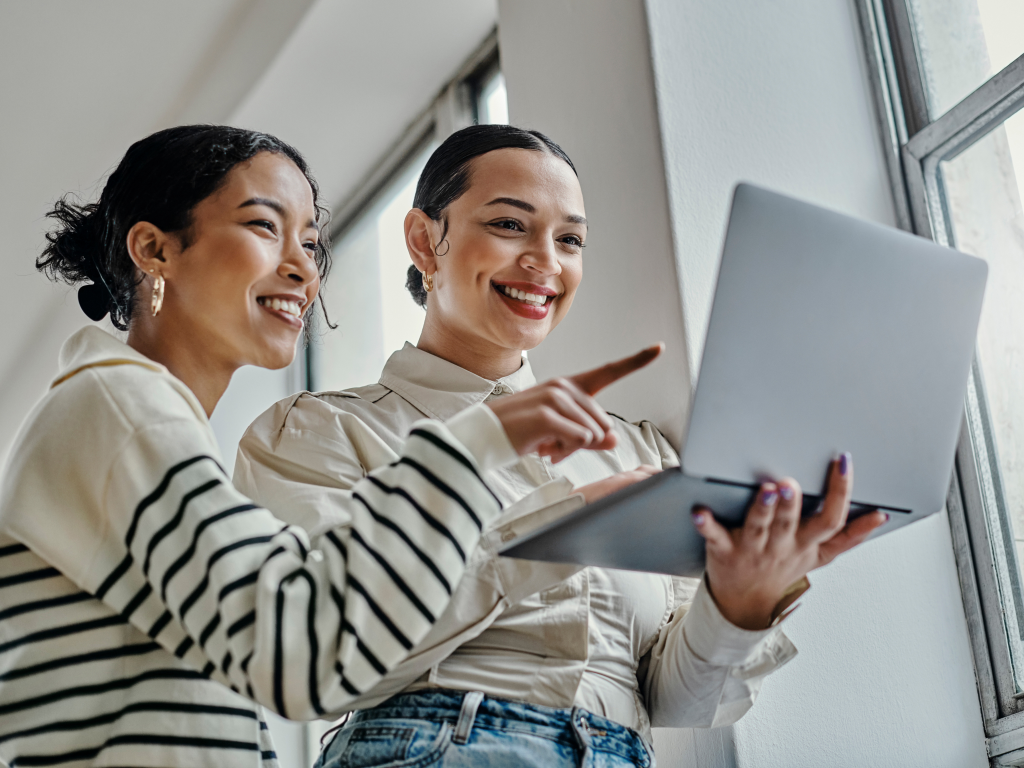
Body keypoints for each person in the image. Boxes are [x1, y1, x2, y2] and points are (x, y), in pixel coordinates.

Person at [0, 125, 660, 768]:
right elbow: (305, 654)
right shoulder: (122, 406)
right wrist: (478, 444)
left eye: (311, 243)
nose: (302, 270)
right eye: (264, 227)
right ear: (154, 249)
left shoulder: (137, 418)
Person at [236, 125, 887, 767]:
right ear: (424, 241)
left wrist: (742, 601)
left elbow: (676, 701)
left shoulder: (639, 451)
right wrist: (564, 529)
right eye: (509, 225)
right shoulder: (320, 430)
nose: (545, 260)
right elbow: (318, 656)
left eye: (570, 239)